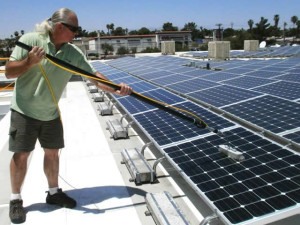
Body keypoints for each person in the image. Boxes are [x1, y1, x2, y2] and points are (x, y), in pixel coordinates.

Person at [5, 8, 132, 224]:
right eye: (74, 29)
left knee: (53, 154)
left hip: (50, 112)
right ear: (60, 27)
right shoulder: (30, 41)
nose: (77, 34)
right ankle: (16, 200)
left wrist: (115, 88)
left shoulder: (72, 53)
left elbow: (93, 76)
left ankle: (54, 193)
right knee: (21, 155)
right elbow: (9, 71)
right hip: (24, 110)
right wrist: (29, 62)